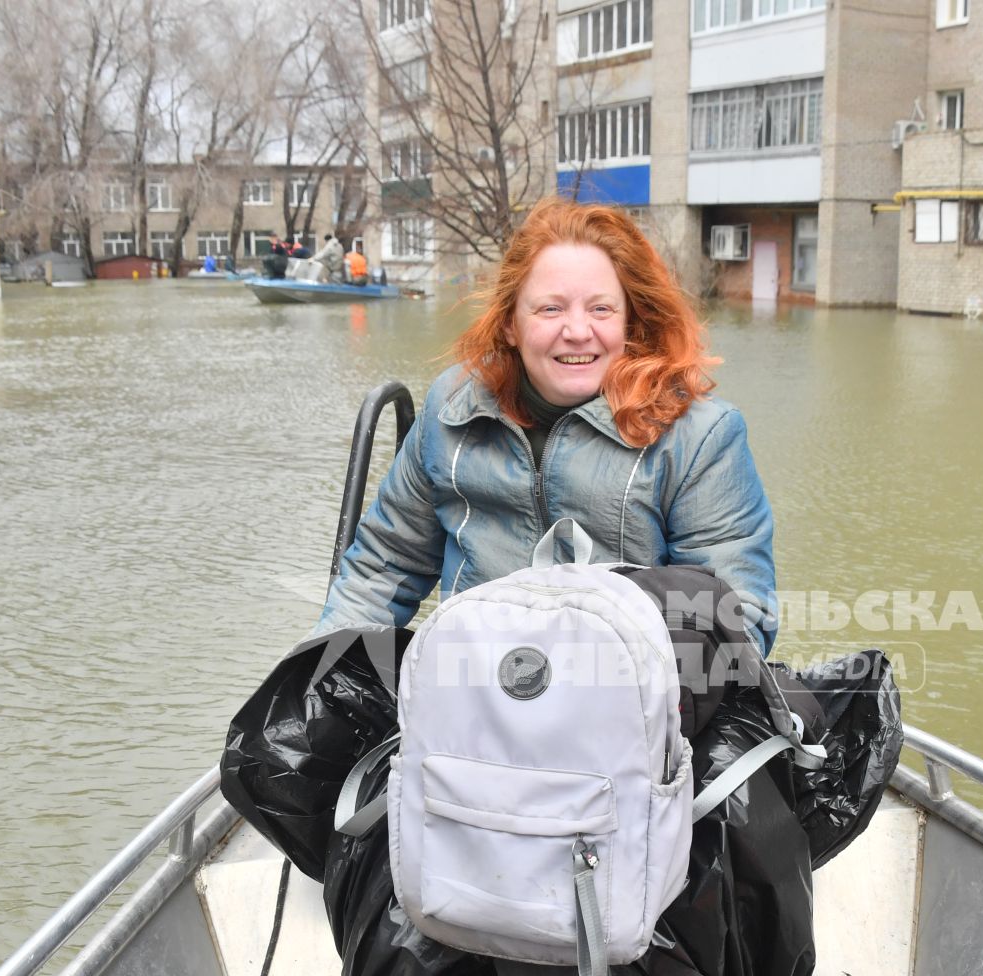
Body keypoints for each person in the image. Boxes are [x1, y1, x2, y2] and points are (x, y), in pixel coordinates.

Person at [313, 197, 777, 653]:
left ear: (632, 323)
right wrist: (312, 682)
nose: (577, 331)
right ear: (511, 324)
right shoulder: (451, 408)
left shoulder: (698, 436)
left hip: (627, 703)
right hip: (468, 691)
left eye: (601, 309)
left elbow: (736, 621)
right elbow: (382, 567)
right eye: (550, 309)